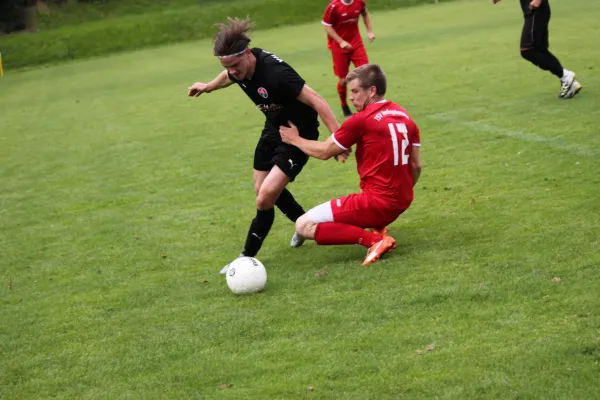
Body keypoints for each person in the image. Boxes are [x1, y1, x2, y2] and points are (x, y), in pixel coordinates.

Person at [187, 17, 343, 273]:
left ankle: (246, 256)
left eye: (236, 65)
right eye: (228, 66)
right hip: (272, 130)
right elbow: (228, 77)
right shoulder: (237, 69)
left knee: (264, 198)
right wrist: (208, 87)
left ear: (248, 54)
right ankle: (303, 224)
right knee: (263, 190)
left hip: (297, 134)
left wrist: (337, 140)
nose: (233, 71)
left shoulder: (276, 73)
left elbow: (317, 101)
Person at [280, 64, 421, 266]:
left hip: (377, 203)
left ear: (372, 90)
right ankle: (377, 224)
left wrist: (294, 139)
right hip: (403, 200)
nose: (351, 98)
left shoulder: (361, 120)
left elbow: (324, 152)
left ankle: (376, 241)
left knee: (304, 225)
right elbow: (416, 166)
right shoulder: (405, 116)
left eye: (355, 91)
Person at [492, 0, 582, 99]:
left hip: (536, 11)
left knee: (527, 50)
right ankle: (568, 79)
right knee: (539, 49)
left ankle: (567, 77)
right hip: (533, 11)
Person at [322, 0, 375, 117]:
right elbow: (326, 25)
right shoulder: (333, 6)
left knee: (366, 74)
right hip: (338, 47)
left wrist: (370, 31)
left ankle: (367, 106)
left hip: (356, 44)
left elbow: (365, 13)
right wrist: (340, 41)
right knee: (343, 80)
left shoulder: (359, 2)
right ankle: (344, 104)